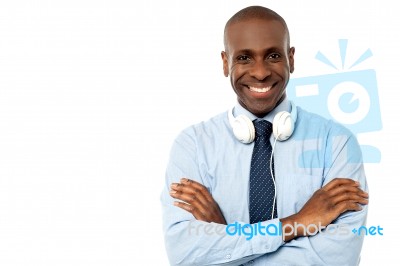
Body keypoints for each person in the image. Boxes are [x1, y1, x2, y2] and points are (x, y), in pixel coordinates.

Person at [160, 5, 369, 266]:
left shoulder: (336, 142)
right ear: (226, 63)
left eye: (272, 56)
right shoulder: (192, 145)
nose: (260, 72)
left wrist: (227, 237)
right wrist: (294, 224)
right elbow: (184, 254)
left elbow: (338, 257)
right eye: (244, 58)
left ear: (291, 58)